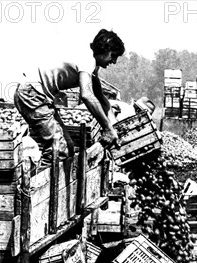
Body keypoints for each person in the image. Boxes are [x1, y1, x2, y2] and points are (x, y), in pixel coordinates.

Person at [14, 29, 125, 165]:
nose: (114, 61)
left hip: (38, 97)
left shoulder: (92, 67)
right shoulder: (87, 59)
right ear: (104, 49)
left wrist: (114, 126)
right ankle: (35, 184)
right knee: (58, 151)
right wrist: (107, 128)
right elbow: (87, 95)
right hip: (31, 94)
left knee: (68, 147)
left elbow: (101, 98)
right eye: (113, 55)